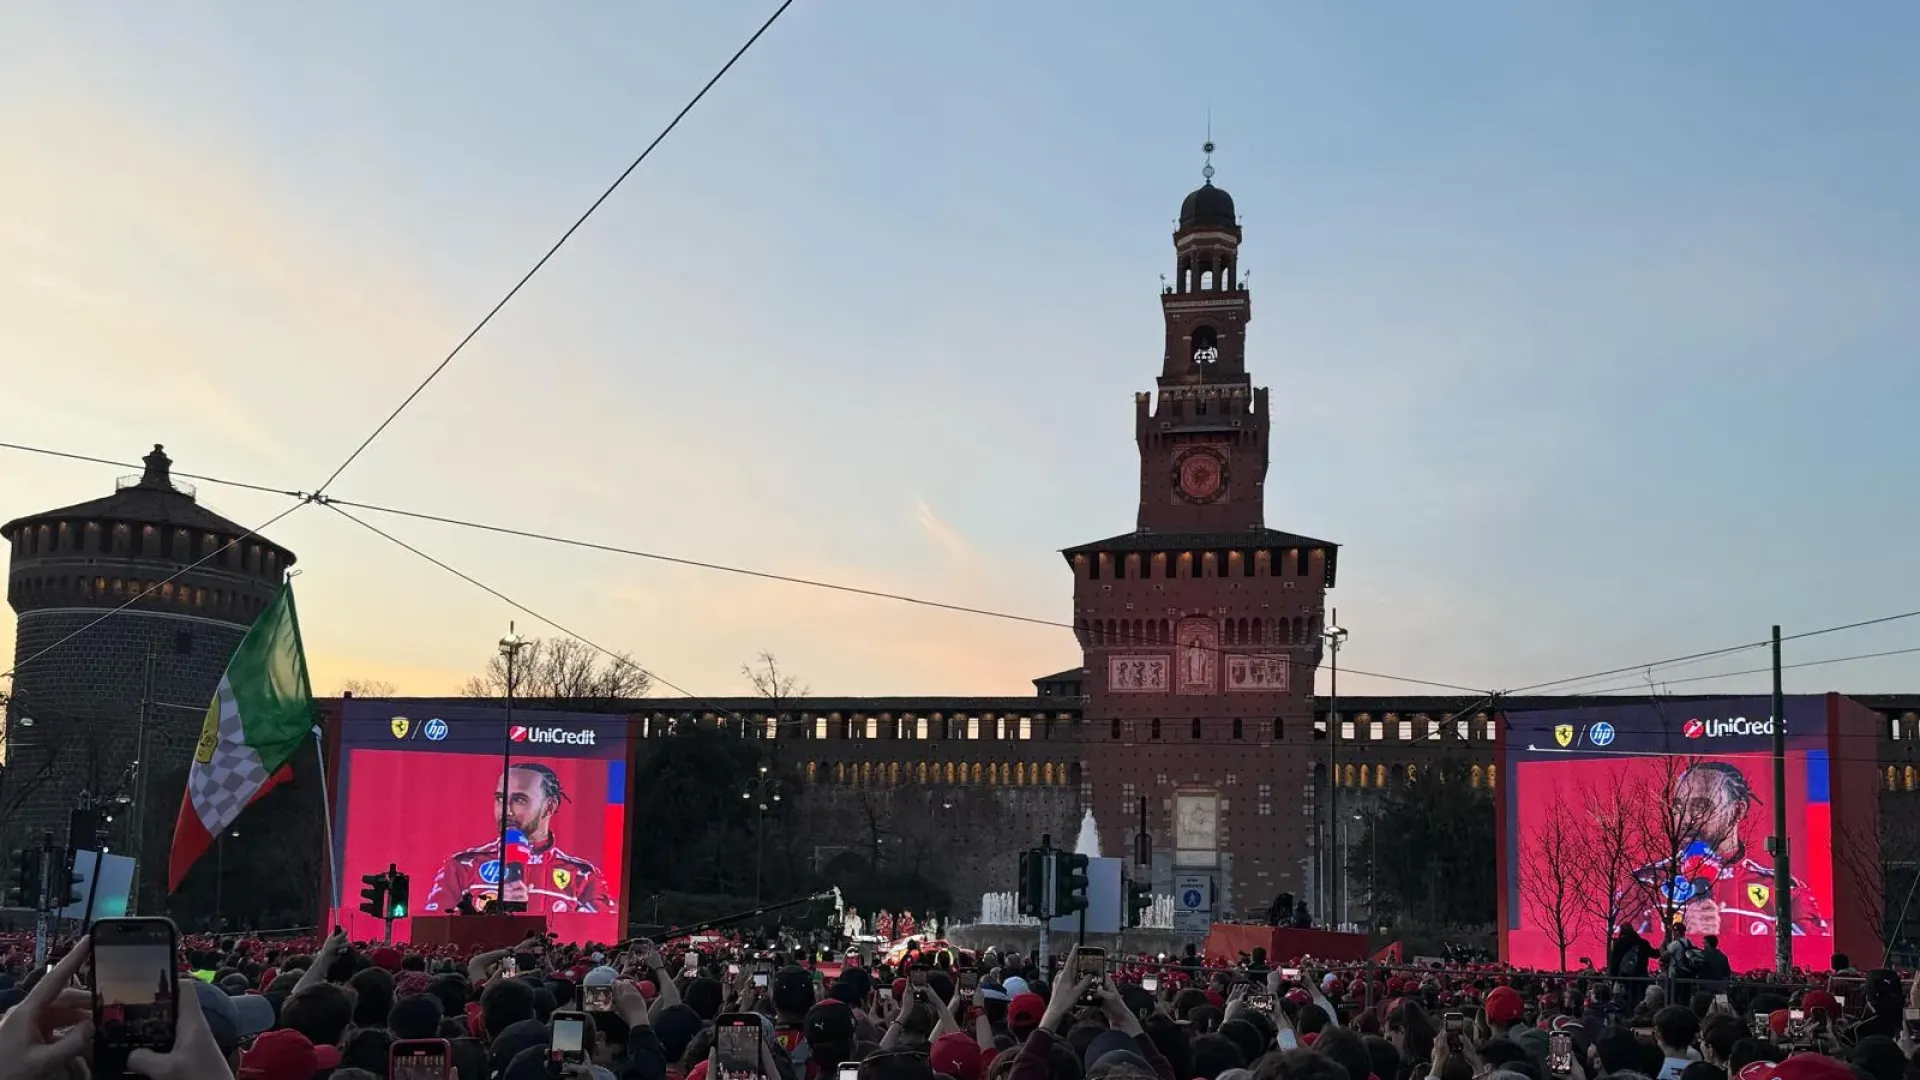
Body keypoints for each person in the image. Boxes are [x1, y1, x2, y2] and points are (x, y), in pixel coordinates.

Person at [1621, 761, 1828, 939]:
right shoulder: (1644, 884)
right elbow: (1620, 956)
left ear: (1738, 811)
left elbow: (1810, 958)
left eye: (1700, 806)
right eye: (1678, 808)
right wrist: (1683, 938)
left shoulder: (1785, 889)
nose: (1684, 819)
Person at [423, 762, 616, 915]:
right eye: (500, 798)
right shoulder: (463, 865)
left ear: (549, 807)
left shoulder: (584, 875)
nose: (506, 810)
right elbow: (434, 928)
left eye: (519, 800)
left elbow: (596, 933)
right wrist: (483, 908)